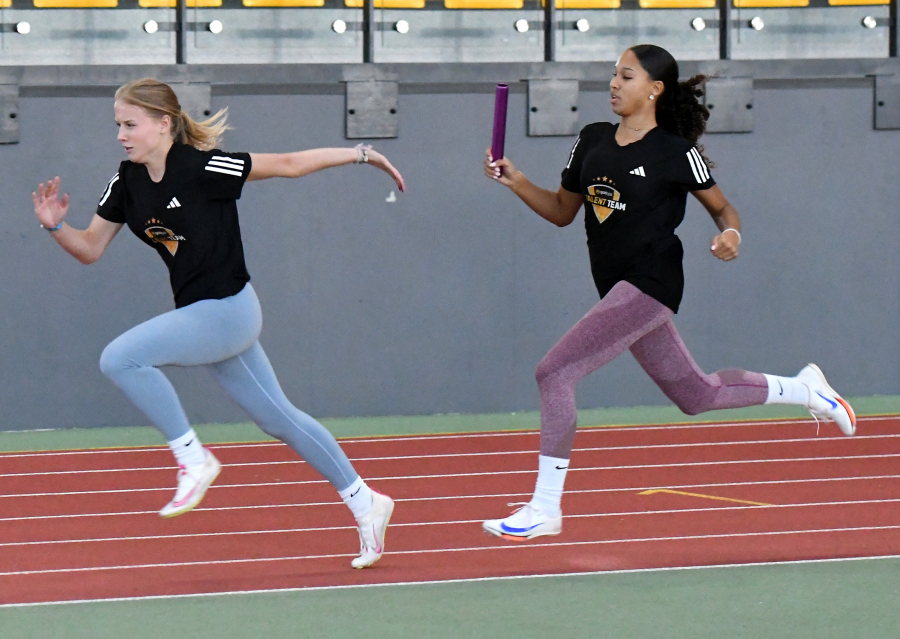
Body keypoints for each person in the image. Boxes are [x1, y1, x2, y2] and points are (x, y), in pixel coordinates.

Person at [481, 44, 855, 542]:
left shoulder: (676, 152)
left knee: (554, 372)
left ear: (654, 89)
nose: (615, 83)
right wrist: (517, 181)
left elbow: (725, 210)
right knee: (695, 395)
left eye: (627, 76)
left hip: (652, 283)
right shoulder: (591, 139)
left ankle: (545, 507)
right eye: (614, 75)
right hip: (617, 288)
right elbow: (560, 211)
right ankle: (808, 389)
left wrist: (731, 236)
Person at [31, 78, 405, 568]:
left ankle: (192, 458)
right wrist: (56, 225)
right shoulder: (126, 182)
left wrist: (360, 154)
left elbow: (289, 165)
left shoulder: (203, 167)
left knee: (120, 358)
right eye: (117, 125)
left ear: (164, 124)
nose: (121, 134)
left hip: (229, 309)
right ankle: (366, 502)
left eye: (130, 124)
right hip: (203, 316)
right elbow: (90, 249)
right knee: (278, 419)